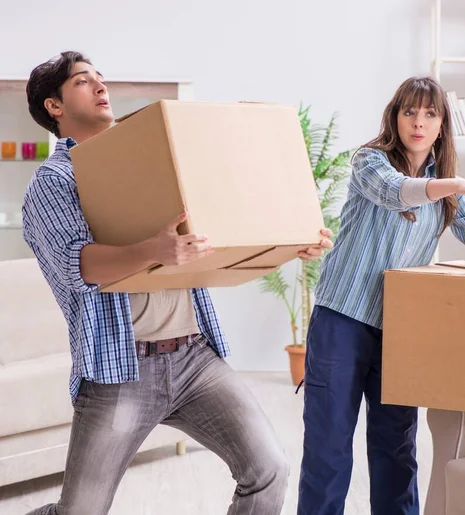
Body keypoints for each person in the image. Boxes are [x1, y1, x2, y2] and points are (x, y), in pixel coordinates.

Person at [22, 50, 333, 515]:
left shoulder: (149, 158)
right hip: (121, 370)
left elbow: (219, 239)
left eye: (101, 78)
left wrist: (291, 244)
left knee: (269, 470)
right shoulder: (52, 181)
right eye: (84, 81)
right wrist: (153, 250)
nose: (100, 86)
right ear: (54, 106)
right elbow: (77, 266)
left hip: (194, 358)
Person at [297, 76, 465, 515]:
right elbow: (398, 194)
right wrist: (454, 186)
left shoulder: (447, 187)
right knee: (328, 451)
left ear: (442, 125)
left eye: (430, 114)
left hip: (400, 330)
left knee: (396, 451)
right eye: (410, 111)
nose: (418, 122)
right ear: (395, 117)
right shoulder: (370, 162)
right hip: (342, 320)